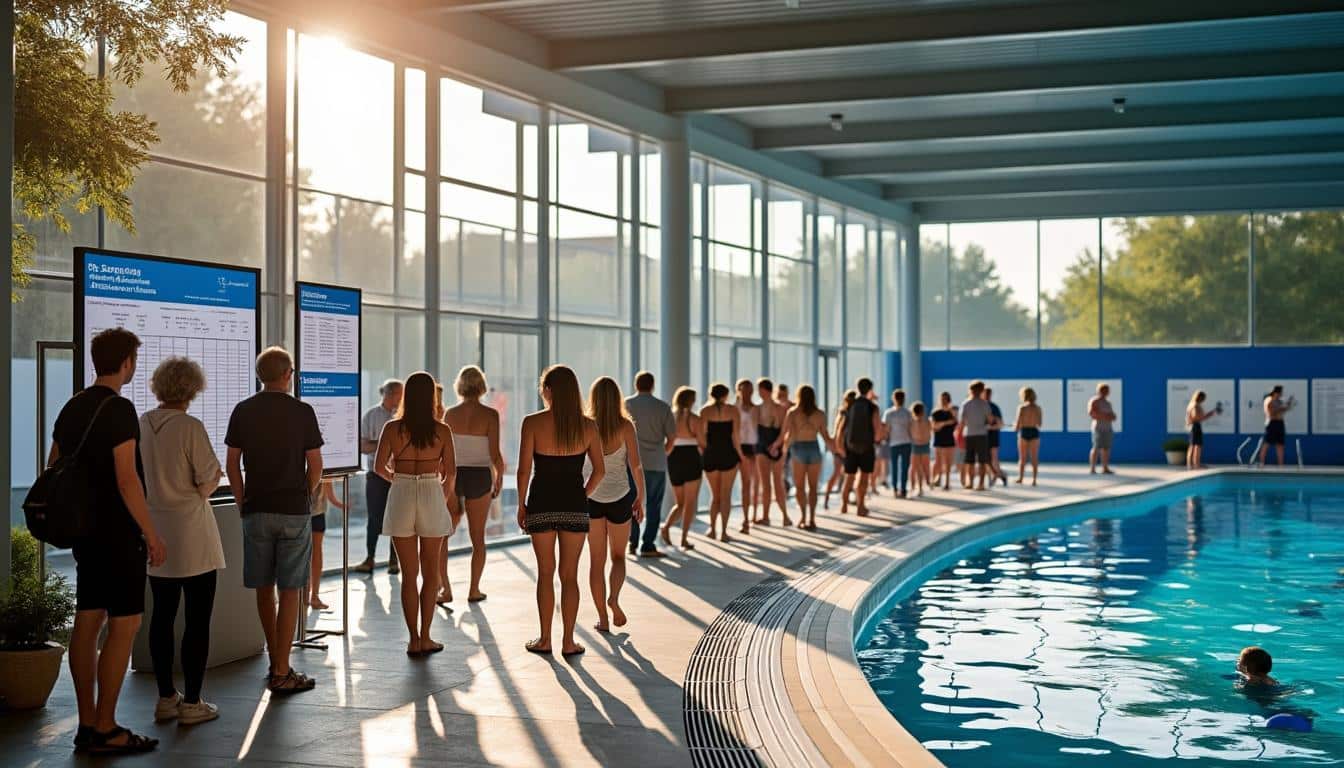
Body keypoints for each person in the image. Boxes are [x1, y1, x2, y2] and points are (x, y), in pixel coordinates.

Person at [52, 328, 166, 754]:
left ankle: (86, 723)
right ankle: (106, 726)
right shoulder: (119, 409)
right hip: (119, 535)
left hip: (86, 534)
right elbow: (126, 477)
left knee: (87, 622)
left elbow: (55, 468)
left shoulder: (73, 406)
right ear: (126, 363)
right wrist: (150, 532)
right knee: (124, 625)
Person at [225, 346, 322, 695]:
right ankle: (282, 668)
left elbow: (232, 463)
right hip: (294, 509)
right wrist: (307, 496)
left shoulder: (243, 410)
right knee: (291, 588)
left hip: (256, 508)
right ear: (288, 374)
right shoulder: (302, 411)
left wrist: (241, 499)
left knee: (264, 589)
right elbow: (316, 464)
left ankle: (274, 662)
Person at [140, 357, 225, 727]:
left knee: (161, 617)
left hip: (155, 530)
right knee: (197, 619)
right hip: (192, 532)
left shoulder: (141, 423)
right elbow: (209, 477)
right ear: (192, 389)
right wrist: (198, 490)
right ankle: (192, 701)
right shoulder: (190, 426)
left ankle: (164, 697)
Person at [518, 365, 604, 656]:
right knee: (570, 575)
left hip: (541, 502)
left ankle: (545, 639)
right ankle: (568, 641)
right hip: (573, 506)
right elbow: (600, 471)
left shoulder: (532, 422)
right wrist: (582, 494)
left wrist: (521, 504)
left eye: (543, 386)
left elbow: (523, 470)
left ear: (549, 390)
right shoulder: (588, 426)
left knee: (545, 573)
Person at [373, 371, 456, 655]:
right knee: (431, 572)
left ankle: (412, 640)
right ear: (432, 396)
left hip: (402, 491)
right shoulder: (442, 430)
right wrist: (441, 496)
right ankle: (426, 636)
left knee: (409, 575)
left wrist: (399, 479)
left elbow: (378, 467)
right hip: (432, 490)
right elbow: (451, 472)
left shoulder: (392, 429)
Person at [585, 377, 646, 633]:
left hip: (591, 498)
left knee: (596, 562)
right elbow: (636, 465)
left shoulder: (586, 426)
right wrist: (639, 496)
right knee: (618, 556)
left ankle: (602, 618)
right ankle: (614, 599)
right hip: (621, 496)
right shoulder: (625, 427)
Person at [441, 365, 504, 606]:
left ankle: (445, 589)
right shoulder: (490, 415)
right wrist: (498, 477)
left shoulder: (450, 414)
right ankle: (474, 589)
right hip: (479, 475)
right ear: (481, 386)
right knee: (478, 538)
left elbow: (445, 452)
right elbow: (495, 453)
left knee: (444, 534)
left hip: (454, 474)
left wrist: (446, 479)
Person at [625, 372, 676, 559]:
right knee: (654, 504)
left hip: (631, 462)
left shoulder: (626, 404)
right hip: (656, 463)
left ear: (636, 384)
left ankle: (632, 541)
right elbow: (671, 438)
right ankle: (648, 545)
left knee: (632, 502)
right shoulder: (662, 407)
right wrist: (663, 454)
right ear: (652, 385)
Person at [356, 379, 403, 574]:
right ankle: (370, 558)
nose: (402, 398)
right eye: (400, 394)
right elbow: (362, 446)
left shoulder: (403, 416)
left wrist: (378, 445)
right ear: (390, 394)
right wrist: (385, 444)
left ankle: (394, 560)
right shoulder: (371, 416)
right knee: (374, 518)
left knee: (398, 518)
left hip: (399, 475)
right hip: (375, 475)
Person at [781, 385, 833, 530]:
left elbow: (789, 435)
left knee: (800, 487)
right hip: (814, 447)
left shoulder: (792, 413)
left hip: (798, 448)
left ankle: (803, 517)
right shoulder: (820, 414)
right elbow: (825, 436)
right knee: (813, 487)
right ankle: (812, 518)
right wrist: (836, 448)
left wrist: (784, 450)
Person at [660, 387, 704, 550]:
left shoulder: (670, 417)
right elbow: (702, 442)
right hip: (691, 457)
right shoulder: (695, 419)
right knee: (690, 502)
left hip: (674, 458)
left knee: (680, 503)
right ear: (691, 401)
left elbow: (666, 441)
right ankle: (684, 538)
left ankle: (666, 527)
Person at [701, 383, 746, 543]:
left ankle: (713, 530)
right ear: (726, 395)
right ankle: (724, 533)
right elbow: (736, 437)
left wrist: (705, 453)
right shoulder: (733, 410)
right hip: (728, 454)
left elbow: (702, 437)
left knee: (715, 496)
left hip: (711, 455)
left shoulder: (705, 411)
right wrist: (741, 456)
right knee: (726, 495)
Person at [836, 377, 881, 517]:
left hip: (850, 446)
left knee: (849, 476)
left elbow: (841, 428)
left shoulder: (849, 404)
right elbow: (877, 429)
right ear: (870, 389)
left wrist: (839, 445)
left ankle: (843, 505)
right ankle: (860, 507)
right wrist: (877, 439)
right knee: (863, 478)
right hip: (867, 446)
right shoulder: (872, 406)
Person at [754, 379, 791, 526]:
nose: (758, 393)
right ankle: (767, 516)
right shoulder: (759, 408)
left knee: (777, 483)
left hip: (773, 445)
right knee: (768, 483)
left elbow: (784, 431)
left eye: (759, 389)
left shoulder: (778, 409)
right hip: (765, 446)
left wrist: (776, 445)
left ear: (764, 390)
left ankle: (784, 516)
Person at [308, 479, 345, 610]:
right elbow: (329, 491)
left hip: (300, 511)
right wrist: (341, 504)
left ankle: (307, 595)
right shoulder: (321, 461)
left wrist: (341, 504)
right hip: (316, 511)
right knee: (316, 553)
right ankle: (314, 596)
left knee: (305, 554)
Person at [823, 390, 856, 508]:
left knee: (839, 474)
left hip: (839, 447)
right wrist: (840, 448)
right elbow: (840, 432)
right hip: (842, 448)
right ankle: (841, 502)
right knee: (845, 475)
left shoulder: (842, 412)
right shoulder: (846, 413)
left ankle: (831, 499)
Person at [734, 379, 759, 535]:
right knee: (737, 485)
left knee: (749, 484)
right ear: (738, 391)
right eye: (744, 390)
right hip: (737, 446)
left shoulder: (756, 409)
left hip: (752, 447)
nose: (747, 393)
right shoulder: (733, 409)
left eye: (749, 390)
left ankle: (748, 518)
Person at [959, 381, 993, 492]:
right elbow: (990, 420)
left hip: (969, 434)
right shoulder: (985, 404)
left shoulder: (966, 404)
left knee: (970, 461)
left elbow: (962, 422)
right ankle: (981, 484)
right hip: (982, 434)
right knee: (982, 461)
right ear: (981, 390)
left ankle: (970, 483)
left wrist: (959, 434)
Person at [882, 389, 913, 498]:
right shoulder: (908, 413)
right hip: (906, 442)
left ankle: (895, 489)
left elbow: (886, 429)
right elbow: (910, 428)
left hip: (894, 443)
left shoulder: (889, 413)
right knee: (904, 468)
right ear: (904, 399)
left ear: (893, 399)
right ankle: (903, 489)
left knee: (894, 467)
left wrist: (884, 439)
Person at [1258, 386, 1295, 467]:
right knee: (1267, 443)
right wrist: (1281, 408)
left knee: (1280, 444)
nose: (1282, 394)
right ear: (1276, 392)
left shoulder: (1279, 401)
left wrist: (1288, 404)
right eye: (1281, 393)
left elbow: (1282, 410)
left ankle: (1281, 464)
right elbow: (1271, 412)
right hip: (1272, 423)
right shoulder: (1269, 400)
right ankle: (1261, 463)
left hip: (1279, 423)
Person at [1015, 387, 1043, 486]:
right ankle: (1034, 480)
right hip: (1034, 432)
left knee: (1022, 458)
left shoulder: (1022, 408)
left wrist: (1016, 427)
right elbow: (1039, 424)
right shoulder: (1038, 408)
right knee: (1034, 458)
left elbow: (1018, 425)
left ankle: (1021, 478)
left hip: (1024, 432)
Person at [1088, 383, 1117, 475]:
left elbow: (1113, 416)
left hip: (1108, 428)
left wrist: (1107, 416)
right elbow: (1092, 413)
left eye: (1107, 391)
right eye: (1104, 390)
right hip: (1098, 428)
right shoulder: (1095, 401)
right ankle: (1092, 468)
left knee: (1106, 448)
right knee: (1096, 447)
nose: (1106, 392)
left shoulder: (1108, 403)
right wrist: (1105, 416)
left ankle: (1105, 468)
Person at [930, 392, 957, 491]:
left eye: (945, 399)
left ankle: (947, 482)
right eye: (942, 399)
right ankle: (934, 480)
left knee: (948, 462)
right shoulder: (936, 412)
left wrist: (950, 418)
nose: (944, 401)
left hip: (949, 439)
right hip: (939, 439)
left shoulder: (952, 412)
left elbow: (955, 424)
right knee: (938, 461)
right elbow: (934, 427)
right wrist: (945, 423)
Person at [1186, 390, 1217, 470]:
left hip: (1194, 426)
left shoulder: (1191, 404)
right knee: (1196, 446)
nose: (1203, 400)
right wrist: (1208, 415)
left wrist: (1207, 415)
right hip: (1195, 426)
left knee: (1193, 446)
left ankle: (1193, 464)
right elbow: (1196, 417)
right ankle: (1195, 464)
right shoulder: (1195, 405)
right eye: (1203, 398)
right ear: (1199, 398)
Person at [983, 387, 1008, 486]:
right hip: (982, 437)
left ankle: (998, 476)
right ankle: (996, 476)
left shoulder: (994, 407)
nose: (987, 395)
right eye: (985, 393)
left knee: (994, 459)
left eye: (989, 394)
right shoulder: (980, 406)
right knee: (985, 460)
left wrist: (989, 427)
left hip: (993, 436)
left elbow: (1000, 424)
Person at [908, 402, 932, 496]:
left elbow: (929, 432)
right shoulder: (912, 421)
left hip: (923, 445)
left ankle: (922, 485)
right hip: (916, 445)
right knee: (915, 467)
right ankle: (914, 487)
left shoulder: (926, 421)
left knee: (922, 467)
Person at [777, 383, 796, 494]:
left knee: (789, 466)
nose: (782, 396)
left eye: (783, 394)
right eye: (780, 394)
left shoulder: (793, 407)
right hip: (779, 441)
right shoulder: (775, 407)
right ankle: (782, 489)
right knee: (782, 467)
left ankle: (786, 488)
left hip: (791, 440)